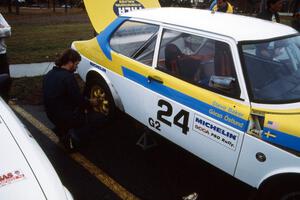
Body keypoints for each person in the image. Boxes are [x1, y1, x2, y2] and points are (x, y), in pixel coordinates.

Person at [43, 49, 104, 151]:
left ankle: (60, 129)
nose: (76, 67)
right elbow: (79, 101)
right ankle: (72, 142)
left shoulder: (50, 74)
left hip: (50, 114)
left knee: (72, 109)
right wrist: (91, 102)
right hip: (63, 117)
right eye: (76, 64)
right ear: (70, 62)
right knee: (96, 118)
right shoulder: (68, 78)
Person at [0, 14, 11, 102]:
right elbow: (5, 30)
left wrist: (4, 30)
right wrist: (2, 28)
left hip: (2, 54)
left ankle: (5, 105)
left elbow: (8, 31)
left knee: (5, 83)